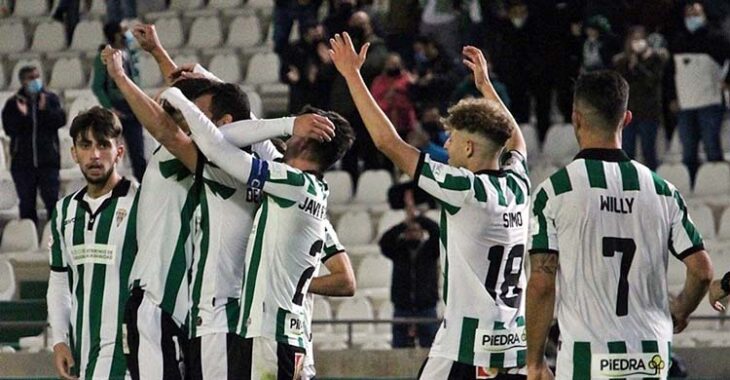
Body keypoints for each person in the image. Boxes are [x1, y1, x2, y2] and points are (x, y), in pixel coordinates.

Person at [104, 24, 335, 380]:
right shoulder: (275, 175)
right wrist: (161, 55)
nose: (190, 122)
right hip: (209, 312)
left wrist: (120, 77)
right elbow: (221, 115)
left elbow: (187, 128)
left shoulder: (224, 165)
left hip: (207, 312)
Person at [331, 34, 530, 378]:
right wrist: (484, 86)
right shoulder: (518, 183)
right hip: (511, 345)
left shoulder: (463, 188)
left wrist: (352, 76)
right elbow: (516, 139)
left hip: (465, 346)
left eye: (452, 138)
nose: (447, 145)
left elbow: (388, 142)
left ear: (469, 148)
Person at [525, 71, 714, 380]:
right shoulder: (663, 191)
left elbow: (542, 285)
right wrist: (681, 308)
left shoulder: (554, 192)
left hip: (588, 358)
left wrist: (534, 362)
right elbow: (703, 271)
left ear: (575, 119)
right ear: (626, 119)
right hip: (650, 356)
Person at [159, 84, 355, 378]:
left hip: (271, 336)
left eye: (294, 133)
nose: (286, 138)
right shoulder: (311, 190)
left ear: (305, 140)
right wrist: (205, 77)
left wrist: (178, 98)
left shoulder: (291, 183)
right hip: (287, 334)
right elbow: (251, 134)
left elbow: (214, 147)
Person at [46, 107, 138, 379]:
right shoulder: (64, 211)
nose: (95, 155)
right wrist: (60, 339)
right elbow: (60, 281)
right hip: (83, 349)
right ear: (73, 153)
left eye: (103, 145)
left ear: (119, 152)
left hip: (130, 349)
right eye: (85, 146)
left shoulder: (142, 203)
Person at [668, 1, 730, 184]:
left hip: (710, 101)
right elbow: (671, 73)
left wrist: (726, 81)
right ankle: (693, 184)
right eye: (689, 14)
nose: (692, 17)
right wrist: (672, 97)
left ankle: (719, 182)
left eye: (696, 13)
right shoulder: (678, 40)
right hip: (685, 103)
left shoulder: (717, 38)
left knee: (712, 146)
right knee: (688, 149)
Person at [1, 65, 66, 225]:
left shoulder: (51, 99)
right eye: (31, 78)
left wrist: (44, 110)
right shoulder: (13, 104)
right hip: (23, 164)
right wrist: (24, 116)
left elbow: (60, 120)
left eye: (37, 76)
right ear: (23, 81)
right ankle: (30, 236)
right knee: (27, 204)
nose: (36, 81)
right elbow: (10, 129)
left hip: (48, 161)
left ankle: (56, 238)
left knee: (52, 200)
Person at [379, 194, 440, 348]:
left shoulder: (430, 249)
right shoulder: (398, 249)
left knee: (430, 350)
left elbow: (438, 232)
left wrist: (418, 218)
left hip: (426, 307)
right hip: (402, 307)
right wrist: (404, 223)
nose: (413, 232)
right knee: (399, 348)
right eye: (409, 230)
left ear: (422, 232)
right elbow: (384, 241)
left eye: (416, 230)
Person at [92, 21, 146, 182]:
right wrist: (110, 107)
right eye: (123, 30)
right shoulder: (104, 56)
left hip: (133, 106)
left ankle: (143, 188)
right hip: (117, 108)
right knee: (112, 152)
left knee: (138, 154)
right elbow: (97, 86)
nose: (127, 34)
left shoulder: (130, 53)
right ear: (115, 35)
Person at [302, 226, 356, 380]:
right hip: (248, 334)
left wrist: (297, 283)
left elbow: (346, 282)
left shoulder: (317, 221)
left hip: (295, 341)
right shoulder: (251, 214)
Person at [613, 25, 668, 171]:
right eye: (634, 39)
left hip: (649, 113)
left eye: (641, 38)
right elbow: (620, 86)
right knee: (626, 153)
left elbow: (652, 82)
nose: (638, 42)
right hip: (629, 114)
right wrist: (629, 66)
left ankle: (652, 184)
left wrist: (638, 67)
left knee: (648, 151)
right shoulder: (622, 62)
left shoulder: (655, 59)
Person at [371, 53, 417, 137]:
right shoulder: (379, 81)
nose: (393, 66)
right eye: (390, 64)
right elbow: (375, 101)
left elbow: (411, 98)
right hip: (385, 123)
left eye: (395, 64)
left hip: (405, 123)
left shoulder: (407, 79)